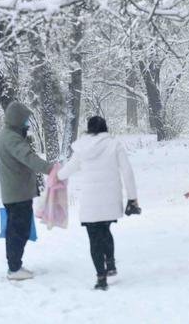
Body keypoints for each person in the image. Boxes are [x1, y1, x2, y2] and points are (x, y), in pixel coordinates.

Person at [58, 116, 139, 291]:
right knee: (105, 230)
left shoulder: (81, 148)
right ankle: (110, 263)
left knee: (94, 238)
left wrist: (56, 176)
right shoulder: (114, 144)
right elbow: (127, 172)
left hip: (90, 201)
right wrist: (132, 197)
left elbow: (68, 170)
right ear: (104, 128)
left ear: (88, 129)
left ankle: (101, 278)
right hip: (110, 199)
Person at [0, 101, 55, 281]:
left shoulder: (8, 135)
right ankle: (14, 268)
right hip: (17, 193)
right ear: (17, 120)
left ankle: (15, 265)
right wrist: (51, 169)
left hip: (15, 192)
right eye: (25, 119)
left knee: (17, 229)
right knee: (17, 231)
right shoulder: (12, 139)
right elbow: (28, 158)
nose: (27, 122)